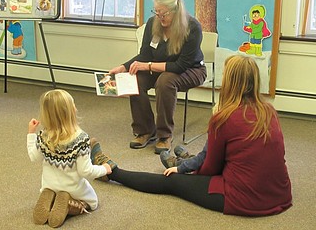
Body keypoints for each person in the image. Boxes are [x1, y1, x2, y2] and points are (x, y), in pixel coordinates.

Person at [94, 55, 292, 216]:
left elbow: (212, 168)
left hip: (243, 199)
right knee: (208, 160)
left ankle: (111, 171)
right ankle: (186, 161)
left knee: (170, 182)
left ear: (230, 83)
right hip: (279, 194)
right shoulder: (269, 111)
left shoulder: (225, 118)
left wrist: (183, 172)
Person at [109, 0, 207, 154]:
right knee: (136, 77)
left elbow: (180, 66)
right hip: (159, 66)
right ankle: (145, 130)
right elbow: (146, 54)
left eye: (164, 14)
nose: (160, 17)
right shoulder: (153, 23)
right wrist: (123, 67)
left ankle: (164, 135)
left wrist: (147, 66)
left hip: (192, 69)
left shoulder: (192, 27)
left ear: (176, 11)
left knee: (165, 81)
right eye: (157, 13)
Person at [27, 89, 112, 228]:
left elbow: (33, 157)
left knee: (51, 188)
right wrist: (104, 169)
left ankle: (50, 195)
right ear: (71, 111)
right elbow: (86, 171)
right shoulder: (81, 139)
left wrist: (31, 133)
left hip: (49, 184)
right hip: (73, 189)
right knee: (93, 202)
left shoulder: (44, 135)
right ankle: (68, 203)